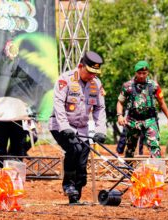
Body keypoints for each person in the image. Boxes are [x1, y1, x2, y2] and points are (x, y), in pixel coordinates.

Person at [49, 51, 107, 204]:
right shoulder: (65, 80)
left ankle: (76, 194)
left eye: (95, 73)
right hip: (60, 124)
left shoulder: (96, 84)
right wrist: (64, 127)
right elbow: (58, 104)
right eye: (89, 72)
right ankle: (68, 184)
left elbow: (100, 109)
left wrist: (100, 131)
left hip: (82, 128)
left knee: (83, 158)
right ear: (81, 66)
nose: (92, 76)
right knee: (74, 149)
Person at [116, 60, 168, 159]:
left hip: (150, 120)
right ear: (135, 73)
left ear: (148, 73)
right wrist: (120, 115)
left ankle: (157, 173)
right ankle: (128, 172)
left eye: (144, 73)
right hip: (133, 121)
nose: (142, 76)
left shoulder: (154, 86)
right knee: (130, 148)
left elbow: (162, 103)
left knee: (154, 146)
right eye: (139, 73)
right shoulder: (128, 86)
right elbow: (120, 102)